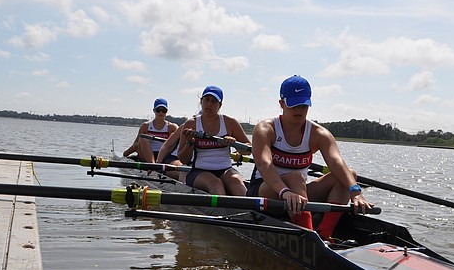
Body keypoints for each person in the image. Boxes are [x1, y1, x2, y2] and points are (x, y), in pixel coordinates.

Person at [248, 75, 373, 235]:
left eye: (303, 105)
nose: (299, 110)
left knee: (348, 175)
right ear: (281, 103)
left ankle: (324, 234)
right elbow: (264, 164)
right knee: (296, 177)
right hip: (265, 191)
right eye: (293, 105)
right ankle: (308, 233)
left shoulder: (318, 133)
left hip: (298, 195)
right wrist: (285, 192)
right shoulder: (266, 128)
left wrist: (355, 192)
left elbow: (336, 162)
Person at [157, 85, 251, 195]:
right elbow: (183, 159)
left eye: (214, 101)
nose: (209, 104)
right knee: (215, 183)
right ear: (201, 102)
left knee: (236, 181)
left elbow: (249, 149)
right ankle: (222, 205)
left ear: (220, 105)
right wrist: (190, 142)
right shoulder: (191, 124)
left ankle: (249, 205)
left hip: (226, 170)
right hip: (199, 171)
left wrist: (234, 143)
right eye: (206, 100)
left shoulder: (230, 122)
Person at [124, 98, 179, 163]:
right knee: (143, 138)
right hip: (146, 153)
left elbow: (177, 146)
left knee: (173, 137)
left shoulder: (172, 127)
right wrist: (125, 154)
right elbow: (135, 144)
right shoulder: (145, 126)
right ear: (154, 110)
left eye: (163, 110)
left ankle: (156, 164)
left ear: (166, 111)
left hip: (164, 155)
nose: (161, 112)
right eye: (158, 110)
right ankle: (153, 163)